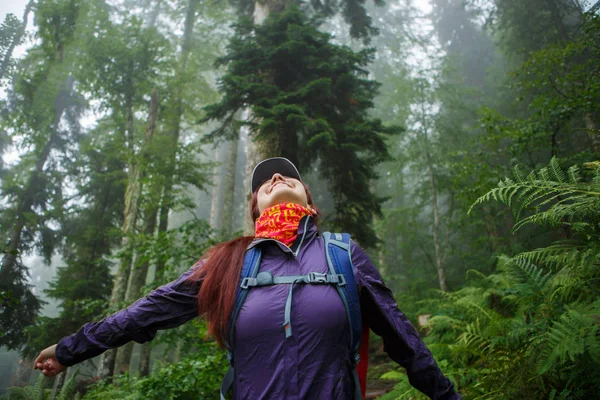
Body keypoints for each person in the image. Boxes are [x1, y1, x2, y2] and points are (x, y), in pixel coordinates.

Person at [34, 157, 461, 399]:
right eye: (263, 181)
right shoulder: (230, 262)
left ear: (308, 198)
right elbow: (150, 310)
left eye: (287, 175)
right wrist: (70, 349)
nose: (276, 178)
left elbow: (404, 337)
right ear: (255, 207)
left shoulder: (342, 253)